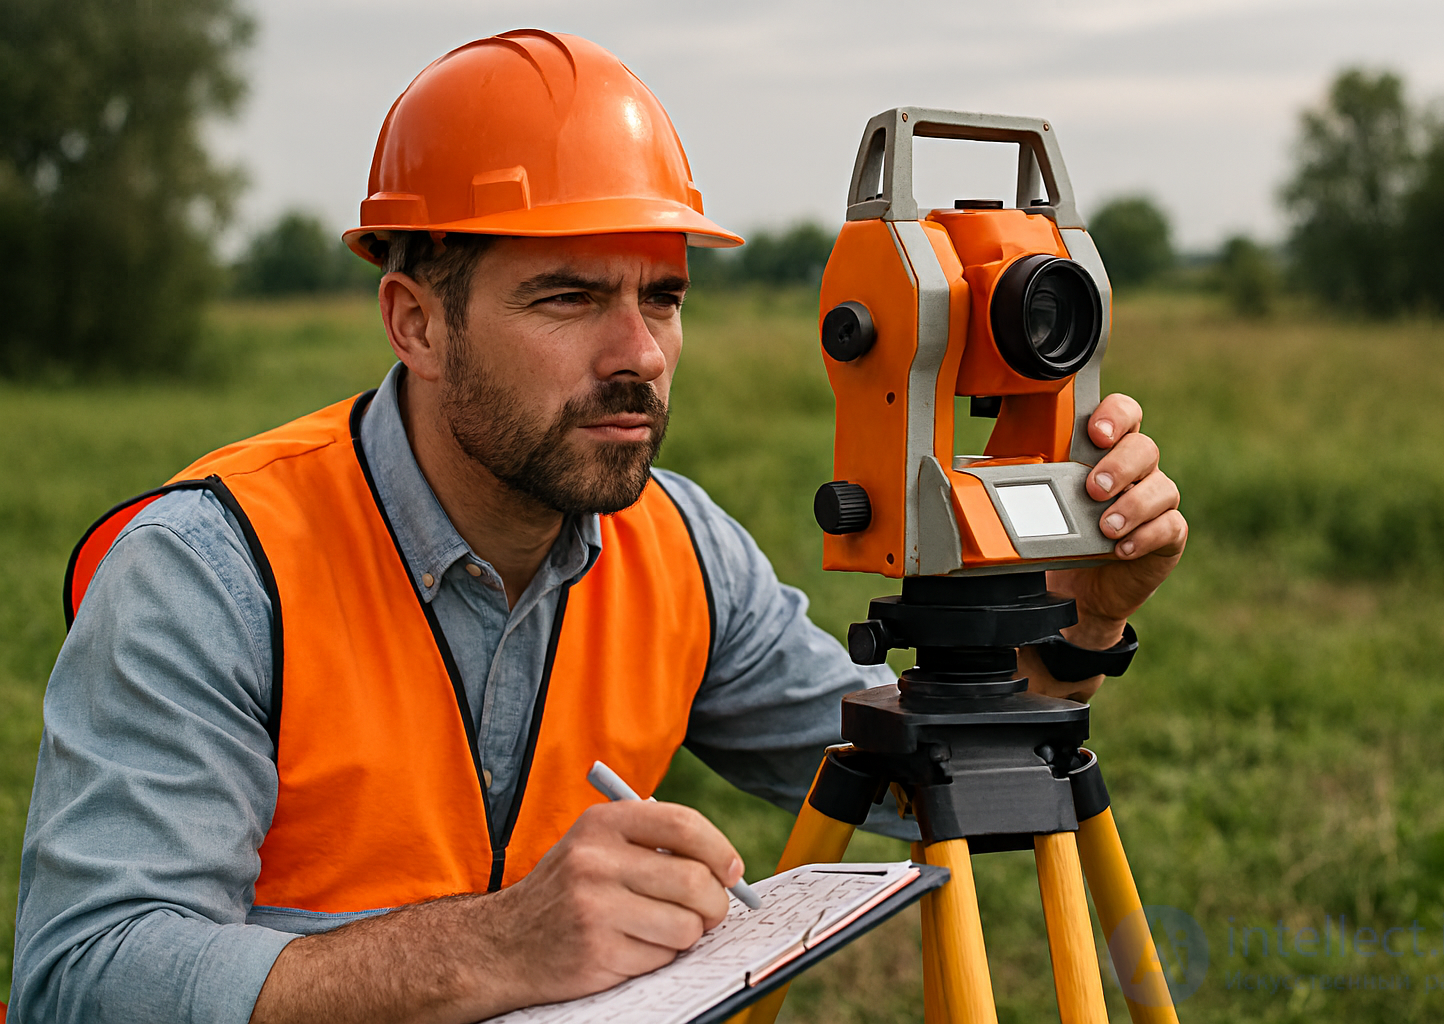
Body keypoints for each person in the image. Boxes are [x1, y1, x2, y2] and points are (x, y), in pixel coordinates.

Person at [11, 29, 1187, 1024]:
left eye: (662, 296)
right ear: (416, 324)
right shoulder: (215, 568)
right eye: (569, 295)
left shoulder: (677, 547)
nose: (638, 353)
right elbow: (83, 971)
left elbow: (920, 788)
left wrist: (1073, 627)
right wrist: (494, 946)